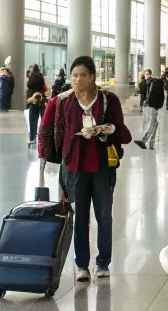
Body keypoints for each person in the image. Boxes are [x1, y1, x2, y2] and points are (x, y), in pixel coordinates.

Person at [39, 55, 130, 280]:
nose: (77, 80)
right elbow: (45, 130)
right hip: (73, 167)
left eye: (82, 76)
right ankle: (81, 265)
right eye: (74, 75)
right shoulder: (60, 101)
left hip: (102, 168)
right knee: (79, 218)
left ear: (92, 77)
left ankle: (103, 263)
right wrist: (44, 160)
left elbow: (125, 134)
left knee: (104, 216)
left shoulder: (109, 101)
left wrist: (108, 130)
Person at [135, 68, 165, 149]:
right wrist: (141, 104)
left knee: (153, 123)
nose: (146, 76)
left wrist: (159, 105)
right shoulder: (143, 83)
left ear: (150, 74)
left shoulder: (156, 83)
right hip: (147, 105)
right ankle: (151, 143)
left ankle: (144, 141)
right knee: (151, 123)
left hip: (154, 105)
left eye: (147, 74)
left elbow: (161, 95)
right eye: (145, 74)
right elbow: (143, 94)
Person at [25, 64, 47, 146]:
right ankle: (43, 137)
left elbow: (29, 85)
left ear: (33, 69)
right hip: (41, 98)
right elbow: (44, 87)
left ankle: (32, 138)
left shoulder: (33, 76)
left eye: (31, 68)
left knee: (33, 120)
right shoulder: (40, 75)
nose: (30, 69)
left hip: (34, 98)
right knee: (43, 119)